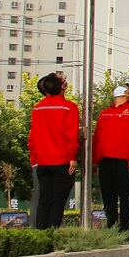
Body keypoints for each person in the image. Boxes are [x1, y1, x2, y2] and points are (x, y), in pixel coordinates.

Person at [28, 72, 80, 230]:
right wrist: (72, 156)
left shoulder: (38, 108)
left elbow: (33, 137)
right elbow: (70, 134)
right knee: (58, 202)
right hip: (62, 161)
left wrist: (35, 159)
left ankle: (42, 235)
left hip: (42, 161)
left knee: (44, 200)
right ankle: (52, 232)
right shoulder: (69, 107)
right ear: (61, 86)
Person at [91, 81, 129, 232]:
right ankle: (111, 224)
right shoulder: (105, 112)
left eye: (125, 88)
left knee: (124, 193)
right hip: (105, 159)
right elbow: (97, 136)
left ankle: (125, 227)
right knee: (108, 193)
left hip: (123, 159)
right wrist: (94, 159)